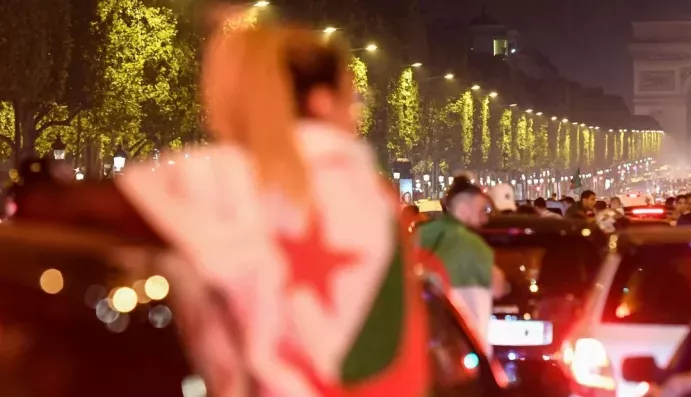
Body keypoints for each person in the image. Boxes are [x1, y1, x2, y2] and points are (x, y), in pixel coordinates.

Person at [16, 23, 433, 396]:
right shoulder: (370, 189)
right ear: (323, 101)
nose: (354, 112)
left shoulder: (236, 180)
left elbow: (56, 207)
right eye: (352, 97)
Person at [418, 178, 508, 353]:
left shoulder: (421, 234)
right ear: (464, 209)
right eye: (481, 210)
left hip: (425, 347)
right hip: (467, 347)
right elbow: (498, 287)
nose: (484, 218)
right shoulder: (474, 244)